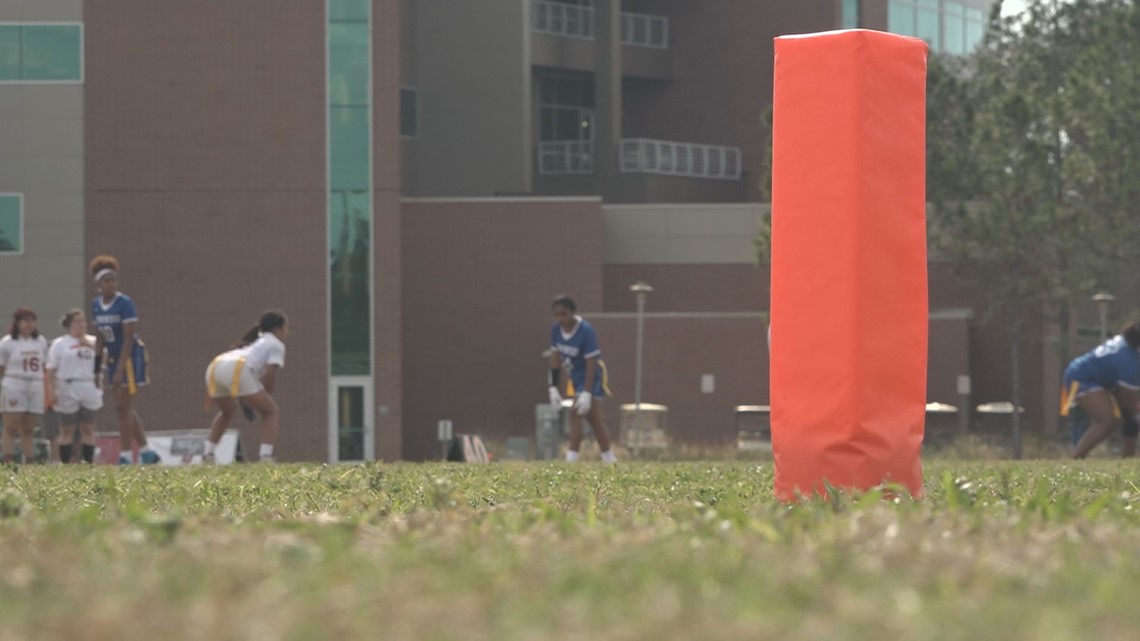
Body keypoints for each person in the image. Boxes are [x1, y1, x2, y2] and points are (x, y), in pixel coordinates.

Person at [90, 255, 160, 464]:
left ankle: (127, 455)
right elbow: (100, 339)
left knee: (122, 408)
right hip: (112, 358)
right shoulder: (96, 305)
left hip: (129, 357)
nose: (111, 284)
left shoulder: (124, 303)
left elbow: (128, 338)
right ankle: (147, 451)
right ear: (98, 284)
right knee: (125, 407)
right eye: (106, 280)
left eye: (114, 280)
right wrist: (96, 369)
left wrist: (120, 369)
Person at [202, 310, 288, 464]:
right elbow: (270, 374)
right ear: (278, 329)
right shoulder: (276, 344)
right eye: (286, 328)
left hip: (216, 365)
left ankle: (208, 454)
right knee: (270, 411)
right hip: (237, 368)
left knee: (226, 412)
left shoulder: (255, 340)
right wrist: (265, 397)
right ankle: (266, 457)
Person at [547, 295, 617, 463]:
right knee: (594, 420)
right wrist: (553, 386)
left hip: (592, 377)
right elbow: (555, 358)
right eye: (557, 315)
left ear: (573, 312)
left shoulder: (585, 330)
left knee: (575, 413)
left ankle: (572, 458)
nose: (561, 319)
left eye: (564, 314)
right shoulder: (556, 330)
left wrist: (586, 392)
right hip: (576, 378)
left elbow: (591, 363)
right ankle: (609, 458)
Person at [1063, 321, 1140, 459]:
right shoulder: (1130, 360)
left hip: (1087, 375)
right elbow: (1127, 398)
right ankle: (1075, 458)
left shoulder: (1124, 342)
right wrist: (1133, 412)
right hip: (1082, 378)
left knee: (1126, 418)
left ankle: (1128, 459)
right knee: (1108, 420)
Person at [46, 309, 102, 464]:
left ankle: (88, 462)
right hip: (68, 386)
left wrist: (90, 346)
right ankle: (66, 463)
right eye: (77, 321)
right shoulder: (60, 344)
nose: (81, 324)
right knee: (67, 429)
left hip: (88, 385)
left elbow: (103, 361)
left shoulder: (94, 341)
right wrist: (53, 390)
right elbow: (51, 369)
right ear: (69, 324)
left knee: (88, 428)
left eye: (83, 321)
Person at [0, 307, 50, 463]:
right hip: (15, 383)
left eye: (32, 320)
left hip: (35, 383)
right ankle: (8, 461)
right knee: (11, 426)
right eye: (25, 320)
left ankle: (30, 462)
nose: (29, 324)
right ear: (17, 323)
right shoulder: (8, 342)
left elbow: (44, 366)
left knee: (29, 428)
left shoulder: (40, 341)